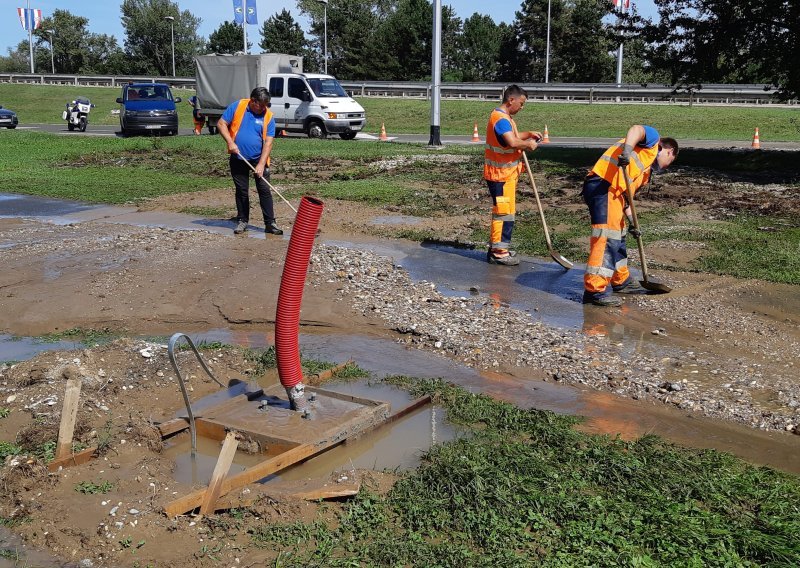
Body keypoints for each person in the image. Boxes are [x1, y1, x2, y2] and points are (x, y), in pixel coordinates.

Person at [582, 125, 678, 306]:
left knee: (619, 234)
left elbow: (627, 199)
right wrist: (626, 151)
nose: (666, 167)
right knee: (607, 238)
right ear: (669, 151)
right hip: (603, 186)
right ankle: (594, 291)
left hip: (615, 194)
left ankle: (620, 280)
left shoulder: (644, 172)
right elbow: (636, 129)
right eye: (670, 162)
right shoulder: (653, 141)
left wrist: (634, 222)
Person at [484, 85, 541, 266]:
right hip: (500, 175)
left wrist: (528, 134)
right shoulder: (500, 119)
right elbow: (512, 141)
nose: (522, 107)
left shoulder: (505, 118)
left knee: (506, 213)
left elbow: (512, 136)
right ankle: (498, 252)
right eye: (521, 103)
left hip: (506, 174)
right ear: (511, 100)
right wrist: (528, 144)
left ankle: (500, 247)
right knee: (503, 213)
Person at [217, 87, 283, 236]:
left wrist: (260, 164)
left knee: (264, 190)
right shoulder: (238, 106)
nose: (263, 108)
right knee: (242, 191)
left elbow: (268, 143)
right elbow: (221, 124)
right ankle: (243, 220)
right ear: (253, 101)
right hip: (238, 157)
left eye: (266, 105)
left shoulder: (268, 117)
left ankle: (270, 223)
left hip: (259, 159)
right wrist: (230, 142)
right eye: (261, 105)